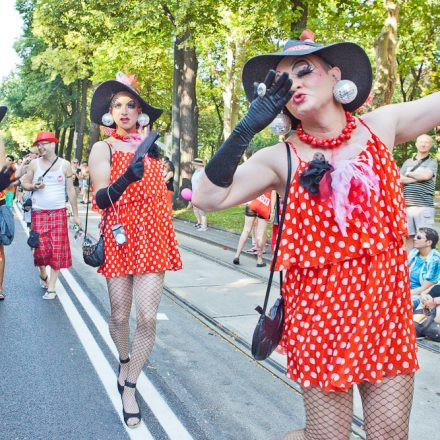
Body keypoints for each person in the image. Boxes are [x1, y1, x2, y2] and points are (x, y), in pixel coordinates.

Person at [193, 29, 440, 439]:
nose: (294, 84)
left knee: (392, 435)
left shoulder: (382, 126)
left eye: (305, 70)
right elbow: (206, 197)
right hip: (320, 316)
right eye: (281, 81)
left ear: (336, 76)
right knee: (326, 437)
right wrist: (243, 131)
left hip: (385, 311)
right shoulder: (279, 157)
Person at [88, 72, 182, 428]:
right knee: (118, 316)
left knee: (145, 317)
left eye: (131, 104)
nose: (124, 111)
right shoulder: (104, 148)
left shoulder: (154, 149)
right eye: (117, 105)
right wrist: (125, 178)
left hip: (154, 238)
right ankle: (125, 358)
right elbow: (100, 197)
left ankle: (130, 384)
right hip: (119, 236)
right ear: (110, 113)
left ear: (140, 112)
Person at [21, 131, 81, 299]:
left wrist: (76, 215)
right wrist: (33, 186)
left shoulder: (65, 165)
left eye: (44, 143)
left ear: (53, 144)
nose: (41, 147)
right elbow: (24, 183)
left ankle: (52, 286)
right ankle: (42, 272)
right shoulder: (34, 164)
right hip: (39, 213)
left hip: (59, 212)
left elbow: (70, 189)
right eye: (39, 144)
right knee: (39, 250)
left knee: (56, 250)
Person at [400, 134, 437, 252]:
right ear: (416, 144)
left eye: (426, 142)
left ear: (430, 145)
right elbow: (399, 179)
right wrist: (418, 178)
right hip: (408, 207)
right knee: (409, 237)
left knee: (426, 238)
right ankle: (409, 266)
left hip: (424, 206)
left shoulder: (432, 162)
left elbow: (426, 176)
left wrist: (409, 174)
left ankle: (426, 267)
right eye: (421, 142)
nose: (423, 144)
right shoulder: (407, 162)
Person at [233, 190, 276, 267]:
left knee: (246, 230)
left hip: (253, 202)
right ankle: (259, 260)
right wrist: (272, 212)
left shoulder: (257, 177)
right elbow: (273, 194)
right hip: (264, 206)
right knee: (260, 234)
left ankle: (237, 255)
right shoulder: (273, 178)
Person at [408, 227, 440, 309]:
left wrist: (403, 294)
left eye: (418, 237)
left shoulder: (435, 260)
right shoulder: (413, 253)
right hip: (406, 289)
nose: (414, 239)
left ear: (429, 242)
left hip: (420, 295)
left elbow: (423, 288)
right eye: (415, 236)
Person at [191, 158, 208, 231]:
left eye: (193, 164)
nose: (193, 165)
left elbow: (204, 183)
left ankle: (204, 227)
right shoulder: (196, 171)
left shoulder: (203, 171)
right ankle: (199, 222)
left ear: (197, 164)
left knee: (201, 210)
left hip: (201, 193)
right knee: (195, 208)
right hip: (195, 193)